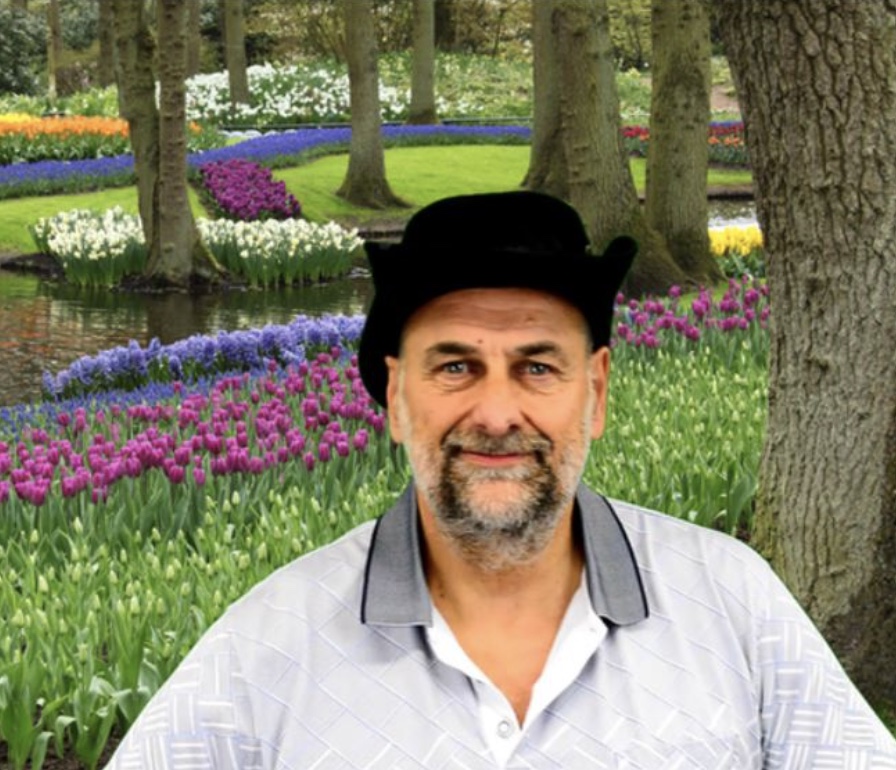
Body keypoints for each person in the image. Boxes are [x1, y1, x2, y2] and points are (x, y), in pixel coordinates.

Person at [105, 191, 896, 769]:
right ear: (396, 397)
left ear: (595, 393)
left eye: (537, 367)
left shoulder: (730, 602)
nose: (495, 413)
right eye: (454, 366)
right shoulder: (270, 643)